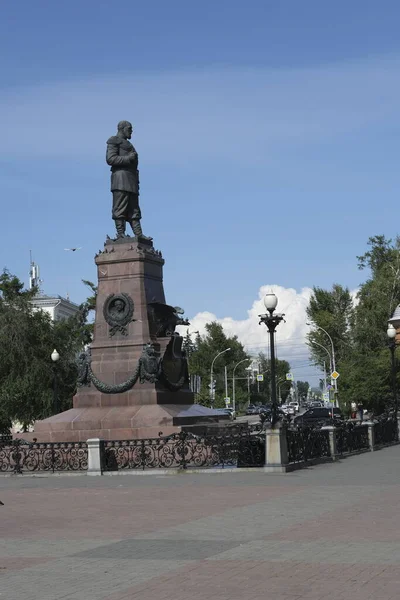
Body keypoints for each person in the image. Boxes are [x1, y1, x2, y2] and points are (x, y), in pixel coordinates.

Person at [106, 121, 151, 240]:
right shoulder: (114, 140)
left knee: (134, 208)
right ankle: (120, 233)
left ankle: (138, 234)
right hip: (120, 179)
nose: (131, 131)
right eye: (129, 128)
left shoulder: (128, 144)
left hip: (132, 180)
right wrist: (128, 158)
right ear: (122, 129)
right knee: (120, 206)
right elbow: (110, 159)